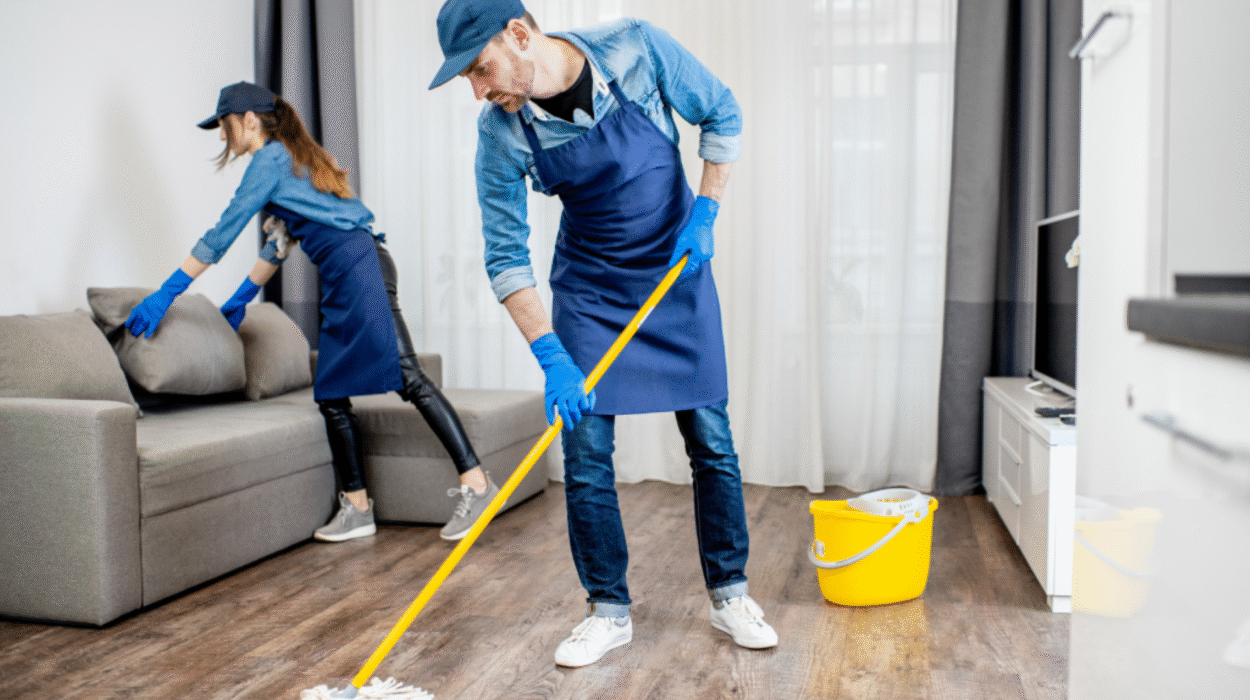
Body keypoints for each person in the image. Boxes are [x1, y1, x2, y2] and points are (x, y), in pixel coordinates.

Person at [430, 0, 778, 667]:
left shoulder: (634, 49)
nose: (478, 90)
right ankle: (607, 609)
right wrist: (551, 354)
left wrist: (705, 211)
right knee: (587, 451)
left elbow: (722, 110)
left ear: (520, 35)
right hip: (591, 290)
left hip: (676, 271)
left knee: (710, 436)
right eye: (468, 80)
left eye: (480, 69)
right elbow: (505, 255)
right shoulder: (501, 132)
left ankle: (729, 592)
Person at [125, 81, 496, 543]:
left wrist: (167, 293)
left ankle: (477, 484)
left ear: (249, 121)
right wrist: (240, 298)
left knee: (407, 376)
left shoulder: (271, 159)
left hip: (358, 268)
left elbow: (222, 233)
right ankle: (357, 507)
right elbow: (279, 243)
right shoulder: (292, 161)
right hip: (348, 272)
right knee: (331, 394)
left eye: (224, 125)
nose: (222, 137)